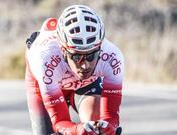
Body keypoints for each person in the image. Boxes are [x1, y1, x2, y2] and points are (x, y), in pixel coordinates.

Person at [25, 5, 124, 135]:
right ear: (63, 50)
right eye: (77, 56)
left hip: (86, 84)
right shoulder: (45, 60)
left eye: (91, 55)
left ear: (100, 48)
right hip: (45, 85)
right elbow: (60, 122)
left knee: (96, 128)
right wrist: (77, 130)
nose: (85, 65)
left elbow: (110, 116)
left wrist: (108, 127)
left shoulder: (112, 57)